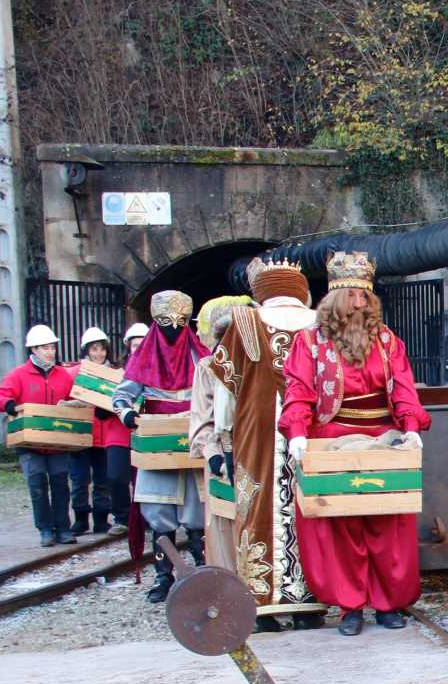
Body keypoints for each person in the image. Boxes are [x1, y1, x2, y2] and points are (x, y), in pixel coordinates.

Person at [279, 251, 429, 636]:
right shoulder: (309, 342)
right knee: (340, 525)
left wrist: (410, 425)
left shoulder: (387, 340)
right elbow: (298, 390)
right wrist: (297, 432)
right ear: (333, 299)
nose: (358, 304)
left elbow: (404, 388)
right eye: (350, 296)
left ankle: (388, 604)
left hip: (382, 440)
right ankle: (350, 607)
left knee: (388, 523)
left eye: (364, 296)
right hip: (332, 440)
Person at [212, 260, 328, 632]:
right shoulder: (320, 323)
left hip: (257, 433)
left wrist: (224, 433)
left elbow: (225, 393)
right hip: (313, 432)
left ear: (262, 292)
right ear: (300, 289)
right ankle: (311, 601)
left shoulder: (244, 323)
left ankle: (262, 604)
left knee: (257, 505)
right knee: (311, 506)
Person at [114, 290, 209, 602]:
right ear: (155, 322)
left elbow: (216, 391)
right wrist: (127, 413)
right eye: (166, 322)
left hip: (193, 440)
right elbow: (122, 395)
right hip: (156, 444)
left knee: (197, 514)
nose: (174, 328)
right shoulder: (143, 357)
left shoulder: (201, 355)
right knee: (158, 512)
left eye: (181, 322)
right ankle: (164, 579)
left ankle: (205, 572)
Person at [0, 325, 77, 546]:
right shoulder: (18, 375)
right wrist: (10, 404)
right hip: (30, 443)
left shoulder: (63, 376)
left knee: (60, 486)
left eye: (52, 348)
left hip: (57, 442)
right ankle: (45, 530)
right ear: (34, 350)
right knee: (38, 486)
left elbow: (74, 400)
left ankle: (63, 529)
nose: (50, 352)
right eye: (45, 348)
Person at [189, 297, 244, 574]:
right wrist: (212, 455)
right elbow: (201, 417)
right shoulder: (207, 369)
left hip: (258, 453)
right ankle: (228, 586)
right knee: (223, 524)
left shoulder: (259, 366)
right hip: (223, 456)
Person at [67, 327, 129, 536]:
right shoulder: (74, 373)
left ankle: (101, 518)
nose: (99, 353)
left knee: (103, 479)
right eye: (94, 349)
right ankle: (80, 518)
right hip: (82, 435)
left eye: (102, 349)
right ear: (86, 350)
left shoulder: (115, 374)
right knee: (80, 479)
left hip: (105, 436)